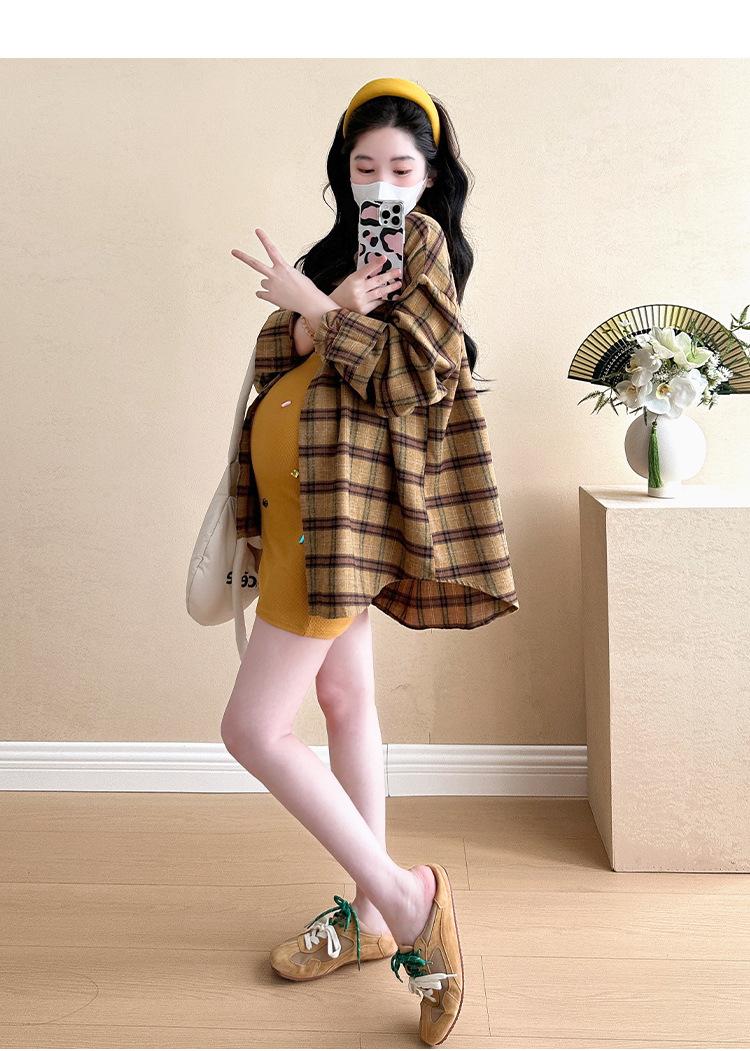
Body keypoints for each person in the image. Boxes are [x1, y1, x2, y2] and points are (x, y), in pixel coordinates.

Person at [221, 76, 519, 1047]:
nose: (380, 185)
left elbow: (410, 375)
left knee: (252, 728)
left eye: (399, 168)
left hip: (333, 524)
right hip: (298, 514)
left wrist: (320, 307)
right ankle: (368, 910)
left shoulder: (419, 243)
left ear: (429, 177)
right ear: (343, 172)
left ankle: (404, 895)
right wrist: (322, 304)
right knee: (346, 701)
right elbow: (283, 364)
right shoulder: (342, 253)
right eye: (363, 167)